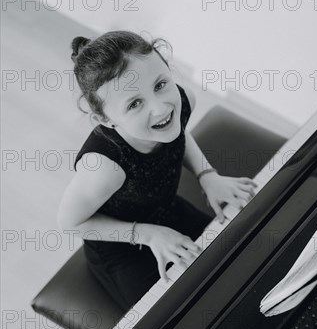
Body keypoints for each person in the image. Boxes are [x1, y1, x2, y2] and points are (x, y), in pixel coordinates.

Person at [57, 30, 257, 311]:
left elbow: (177, 134)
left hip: (166, 209)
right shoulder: (103, 167)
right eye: (135, 103)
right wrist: (149, 234)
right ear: (105, 119)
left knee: (242, 260)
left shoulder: (183, 100)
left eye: (161, 84)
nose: (161, 108)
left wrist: (207, 175)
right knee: (182, 313)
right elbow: (69, 223)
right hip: (124, 246)